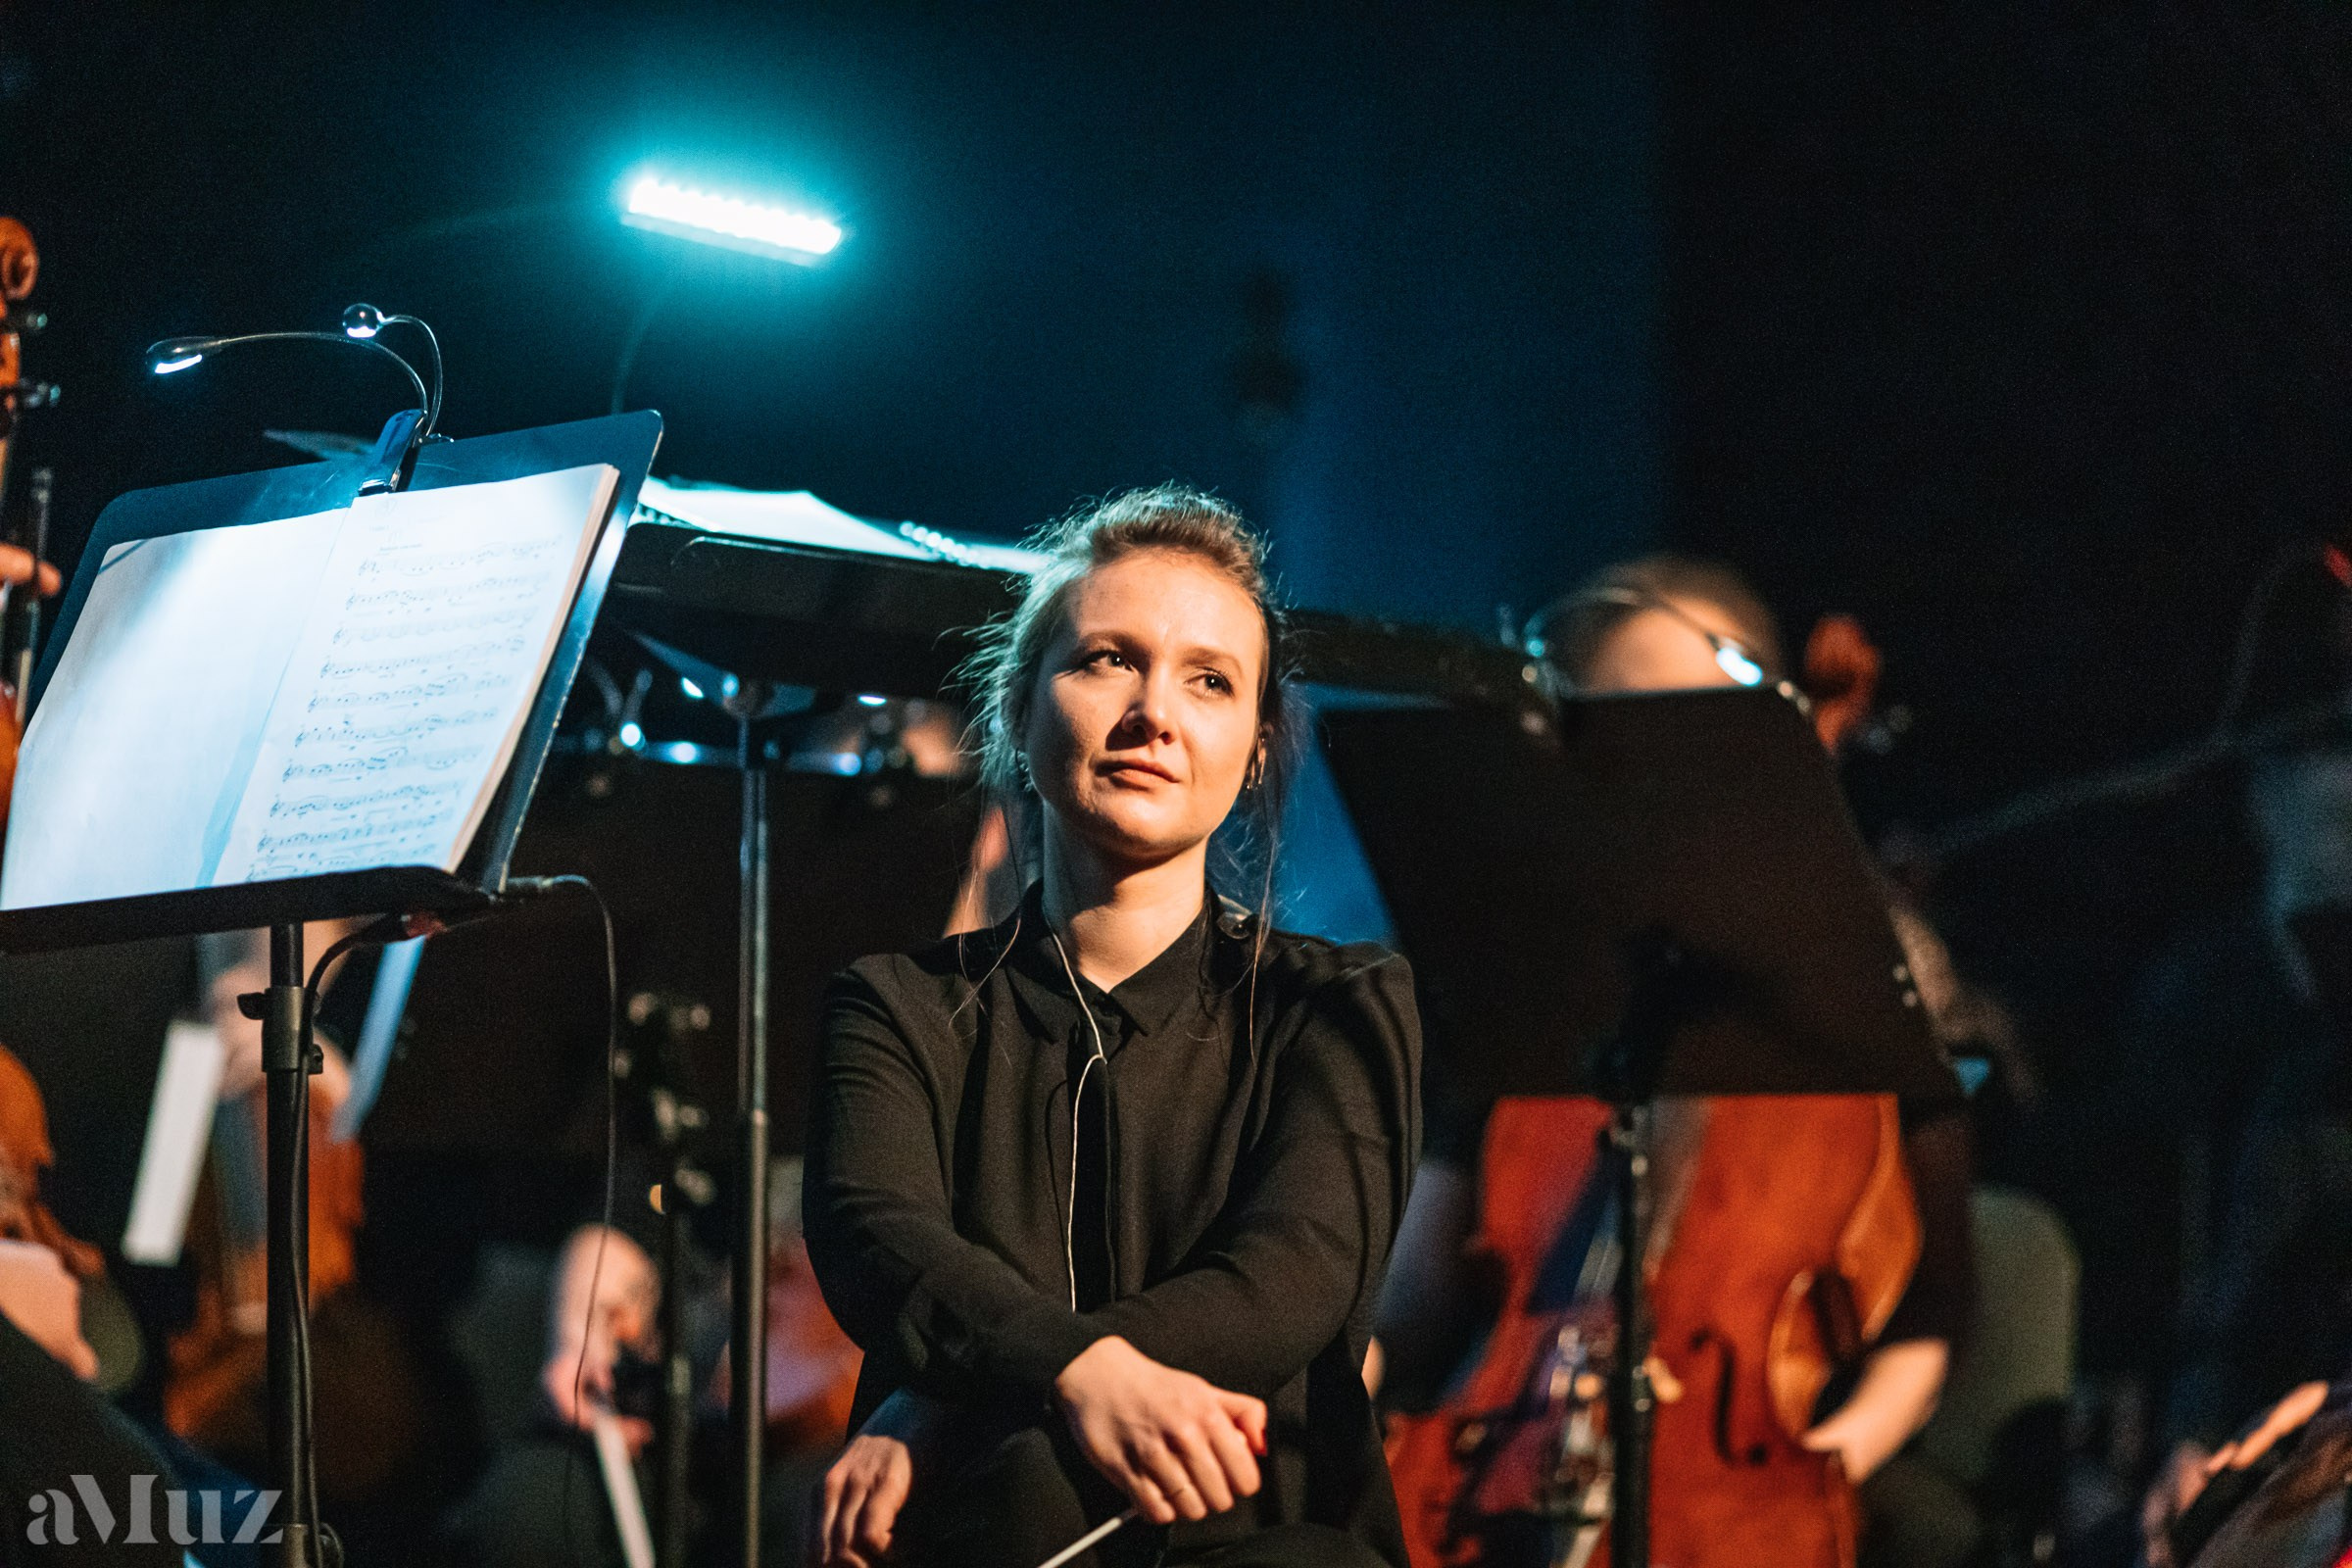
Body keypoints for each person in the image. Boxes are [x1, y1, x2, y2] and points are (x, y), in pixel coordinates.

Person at [803, 486, 1422, 1568]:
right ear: (1017, 709)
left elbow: (1290, 1279)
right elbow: (876, 1238)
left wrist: (962, 1395)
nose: (1154, 714)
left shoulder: (1342, 1001)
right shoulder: (895, 1005)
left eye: (1210, 680)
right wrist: (1073, 1377)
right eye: (1107, 661)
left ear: (1258, 746)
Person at [1373, 556, 1978, 1568]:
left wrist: (1813, 1472)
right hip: (1510, 1453)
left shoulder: (1875, 969)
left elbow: (1936, 1309)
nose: (1663, 770)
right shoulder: (1529, 977)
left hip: (1764, 1467)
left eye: (1694, 726)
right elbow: (1417, 1301)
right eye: (1623, 731)